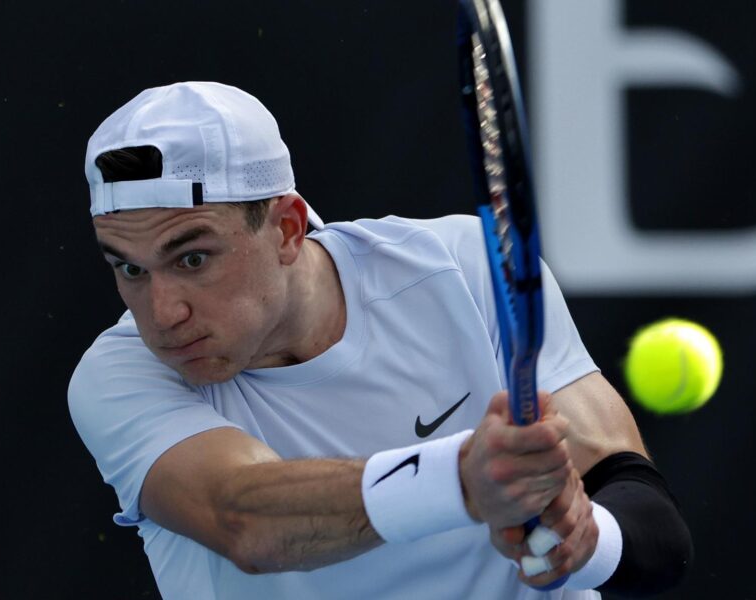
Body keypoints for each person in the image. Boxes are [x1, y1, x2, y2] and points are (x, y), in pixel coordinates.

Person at [69, 81, 692, 599]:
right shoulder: (119, 376)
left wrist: (589, 539)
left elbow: (651, 528)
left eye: (193, 259)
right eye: (129, 268)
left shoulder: (466, 266)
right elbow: (246, 520)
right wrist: (463, 479)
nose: (163, 312)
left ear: (287, 229)